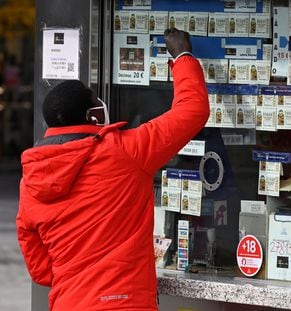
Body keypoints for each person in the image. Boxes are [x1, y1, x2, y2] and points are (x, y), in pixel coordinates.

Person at [16, 28, 209, 311]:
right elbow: (192, 110)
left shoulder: (32, 179)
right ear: (91, 115)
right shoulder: (125, 151)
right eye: (95, 100)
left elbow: (41, 271)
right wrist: (182, 55)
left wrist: (77, 274)